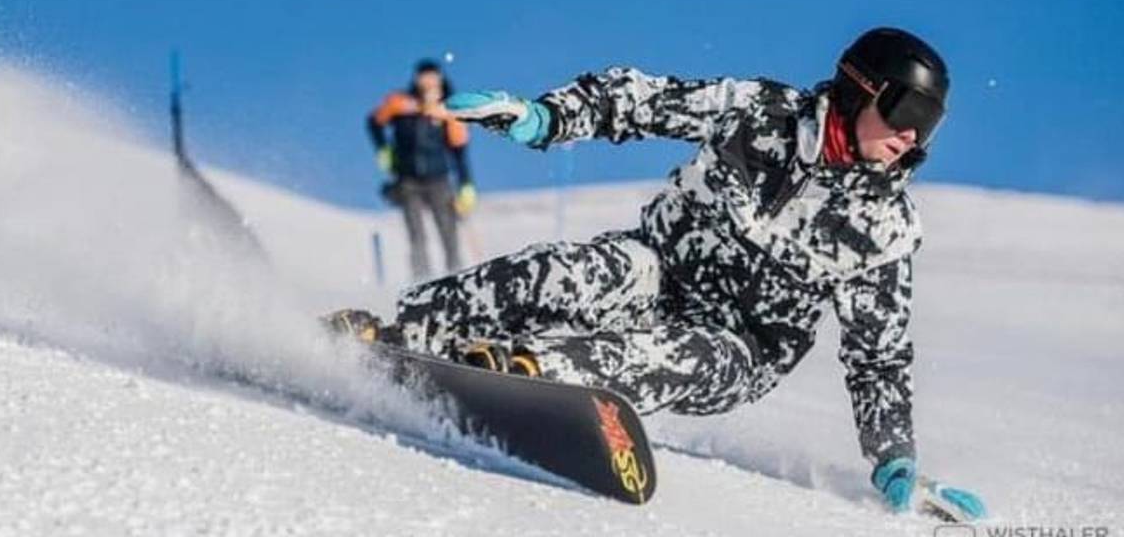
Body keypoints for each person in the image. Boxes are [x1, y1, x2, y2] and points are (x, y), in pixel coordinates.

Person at [335, 28, 983, 518]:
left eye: (930, 127)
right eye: (909, 113)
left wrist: (894, 456)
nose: (913, 139)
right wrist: (548, 117)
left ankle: (534, 374)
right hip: (661, 266)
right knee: (579, 270)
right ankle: (407, 332)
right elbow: (641, 101)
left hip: (740, 346)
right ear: (859, 89)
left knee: (681, 352)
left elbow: (880, 356)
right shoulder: (761, 114)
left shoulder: (885, 227)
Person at [367, 60, 477, 280]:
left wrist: (466, 184)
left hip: (439, 180)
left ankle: (456, 279)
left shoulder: (449, 110)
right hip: (407, 180)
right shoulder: (400, 102)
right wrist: (383, 149)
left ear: (440, 79)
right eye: (423, 76)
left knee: (449, 232)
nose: (427, 81)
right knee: (416, 235)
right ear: (416, 78)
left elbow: (459, 151)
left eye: (432, 76)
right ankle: (421, 280)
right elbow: (373, 122)